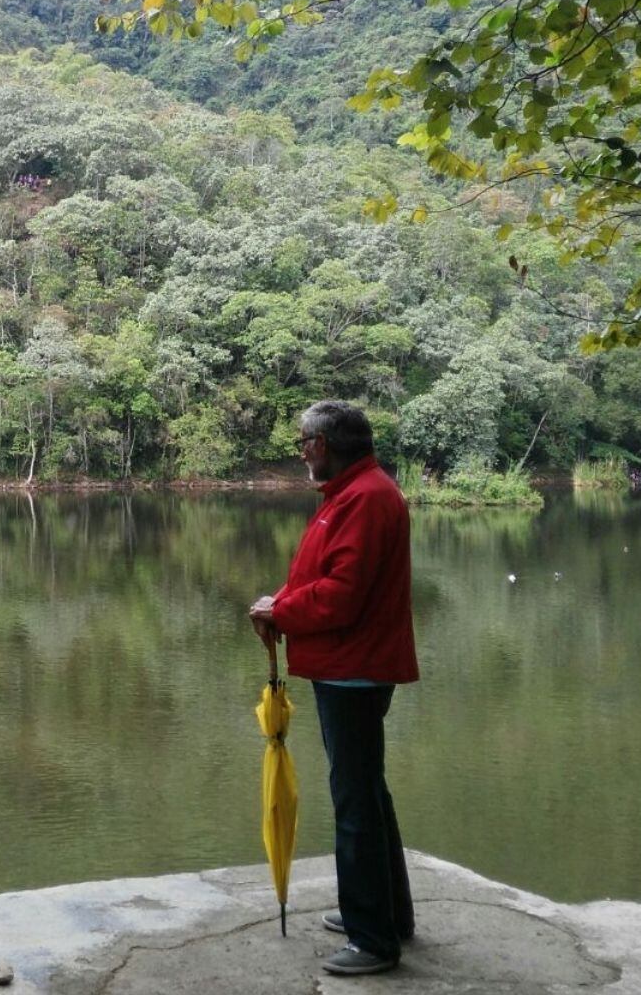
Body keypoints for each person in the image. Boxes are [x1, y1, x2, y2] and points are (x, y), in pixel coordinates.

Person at [249, 400, 418, 977]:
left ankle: (373, 939)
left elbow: (342, 594)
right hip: (350, 664)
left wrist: (283, 613)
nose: (299, 453)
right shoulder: (352, 495)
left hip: (355, 668)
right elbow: (322, 577)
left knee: (354, 800)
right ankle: (388, 915)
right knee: (367, 790)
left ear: (322, 446)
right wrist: (282, 603)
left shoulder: (365, 498)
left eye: (303, 443)